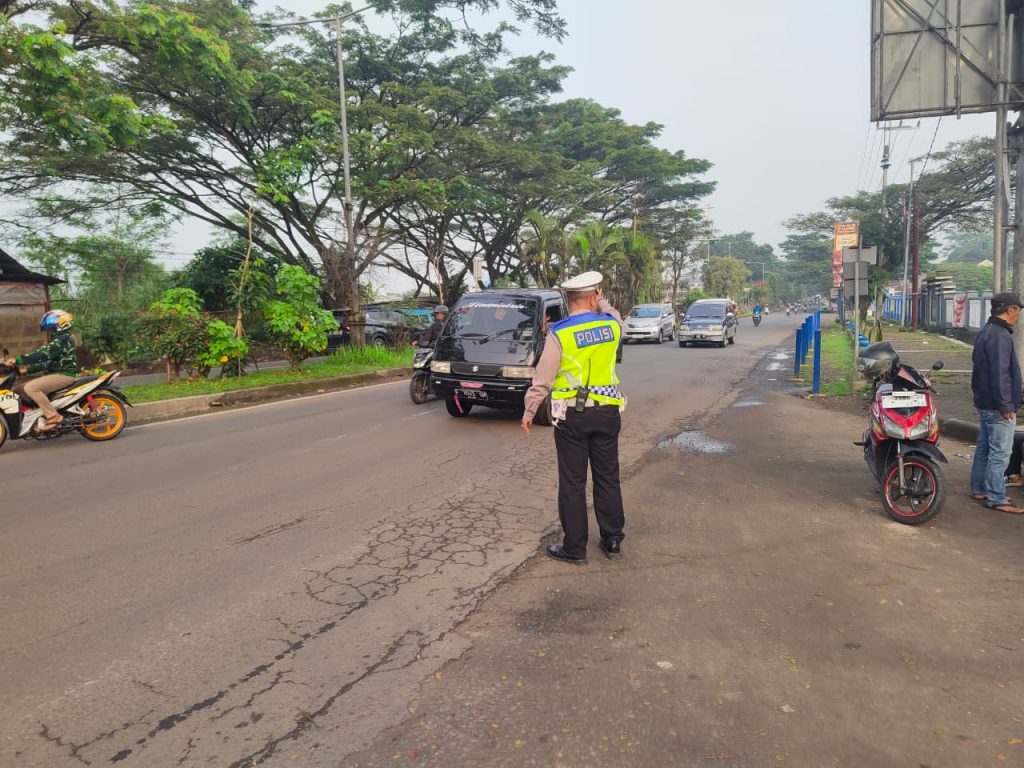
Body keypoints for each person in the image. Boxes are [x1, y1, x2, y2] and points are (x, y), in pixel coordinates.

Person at [521, 271, 626, 564]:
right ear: (594, 296)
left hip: (571, 416)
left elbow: (543, 378)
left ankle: (575, 548)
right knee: (608, 477)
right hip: (607, 411)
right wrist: (602, 302)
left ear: (568, 301)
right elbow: (615, 315)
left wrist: (530, 411)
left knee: (572, 482)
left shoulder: (560, 333)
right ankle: (613, 539)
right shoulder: (612, 327)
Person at [969, 292, 1024, 514]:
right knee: (1000, 453)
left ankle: (979, 488)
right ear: (1011, 310)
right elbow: (1000, 373)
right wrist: (1006, 405)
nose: (1019, 314)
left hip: (984, 401)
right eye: (1018, 310)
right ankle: (996, 497)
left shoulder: (985, 331)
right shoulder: (1000, 335)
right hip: (997, 404)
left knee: (984, 449)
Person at [3, 309, 77, 431]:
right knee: (16, 390)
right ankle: (34, 415)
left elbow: (42, 355)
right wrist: (26, 371)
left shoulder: (63, 340)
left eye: (52, 322)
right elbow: (46, 363)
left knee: (31, 388)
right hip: (54, 374)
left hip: (63, 375)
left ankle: (54, 416)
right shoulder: (59, 341)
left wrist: (17, 360)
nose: (49, 329)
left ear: (61, 323)